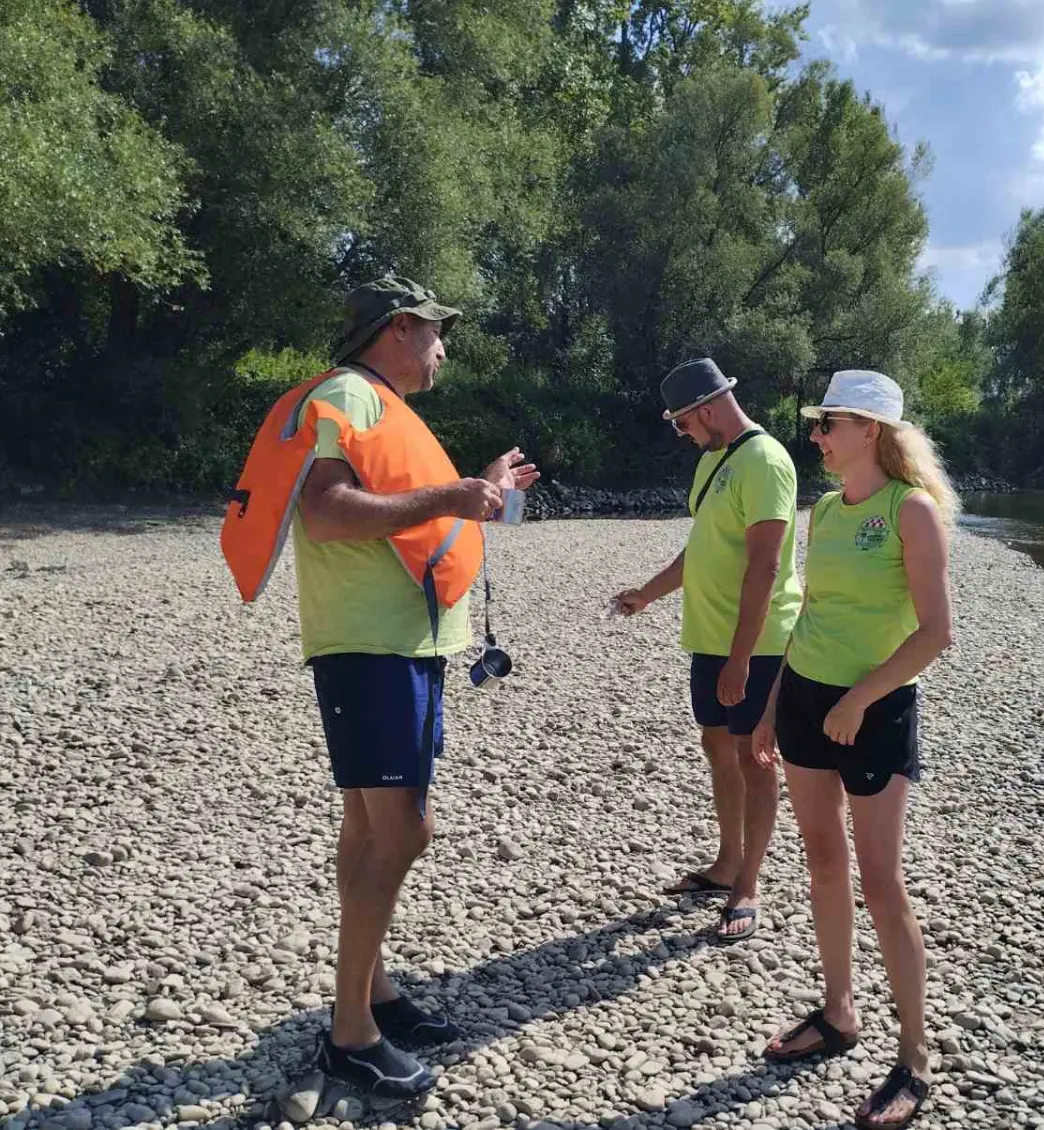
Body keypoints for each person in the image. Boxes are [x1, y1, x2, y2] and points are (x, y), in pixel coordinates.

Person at [221, 276, 539, 1100]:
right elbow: (325, 512)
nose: (444, 348)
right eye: (437, 332)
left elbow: (398, 508)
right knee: (404, 831)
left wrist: (480, 485)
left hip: (394, 646)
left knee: (369, 830)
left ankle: (374, 994)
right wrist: (454, 495)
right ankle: (349, 1036)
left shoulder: (374, 406)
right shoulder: (346, 399)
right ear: (398, 327)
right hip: (370, 649)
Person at [750, 370, 955, 1130]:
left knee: (881, 881)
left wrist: (860, 699)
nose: (817, 436)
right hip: (806, 700)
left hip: (872, 710)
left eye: (828, 423)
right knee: (820, 858)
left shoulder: (914, 512)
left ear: (870, 429)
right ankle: (839, 1011)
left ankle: (914, 1057)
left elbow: (936, 632)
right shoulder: (826, 510)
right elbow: (808, 616)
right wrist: (775, 707)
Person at [613, 358, 802, 942]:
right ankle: (726, 863)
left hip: (759, 642)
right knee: (717, 743)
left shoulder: (765, 460)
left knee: (755, 757)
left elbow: (766, 565)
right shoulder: (713, 461)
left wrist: (742, 659)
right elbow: (702, 549)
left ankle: (749, 886)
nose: (682, 433)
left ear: (708, 409)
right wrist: (648, 593)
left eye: (683, 423)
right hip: (710, 637)